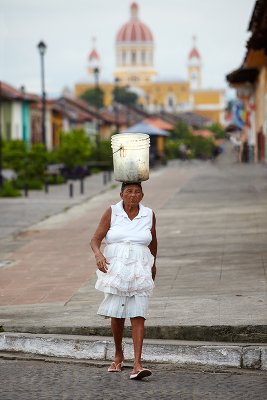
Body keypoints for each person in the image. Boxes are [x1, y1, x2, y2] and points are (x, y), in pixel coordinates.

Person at [90, 182, 157, 380]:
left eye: (137, 192)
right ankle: (118, 355)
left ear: (142, 195)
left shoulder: (149, 214)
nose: (133, 195)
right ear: (121, 194)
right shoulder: (112, 212)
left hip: (140, 268)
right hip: (116, 269)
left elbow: (153, 242)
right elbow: (95, 239)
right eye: (129, 191)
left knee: (139, 313)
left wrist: (153, 264)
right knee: (117, 313)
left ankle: (137, 364)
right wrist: (98, 255)